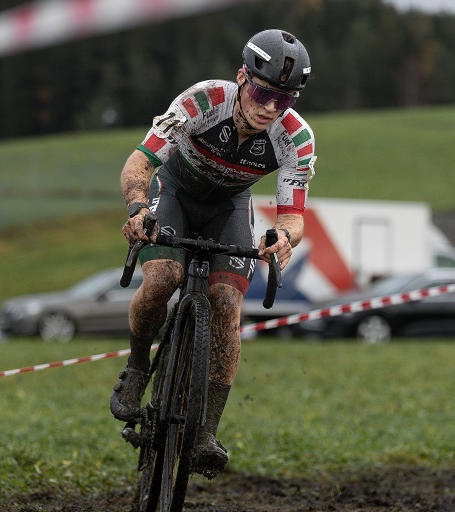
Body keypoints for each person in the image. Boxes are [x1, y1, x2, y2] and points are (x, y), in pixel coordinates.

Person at [110, 29, 315, 475]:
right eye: (262, 93)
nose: (269, 108)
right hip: (176, 193)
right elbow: (140, 162)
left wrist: (282, 237)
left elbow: (293, 216)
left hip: (229, 207)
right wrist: (138, 208)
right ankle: (139, 367)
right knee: (164, 279)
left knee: (226, 304)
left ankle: (205, 433)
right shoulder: (202, 102)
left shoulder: (295, 138)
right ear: (242, 78)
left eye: (284, 100)